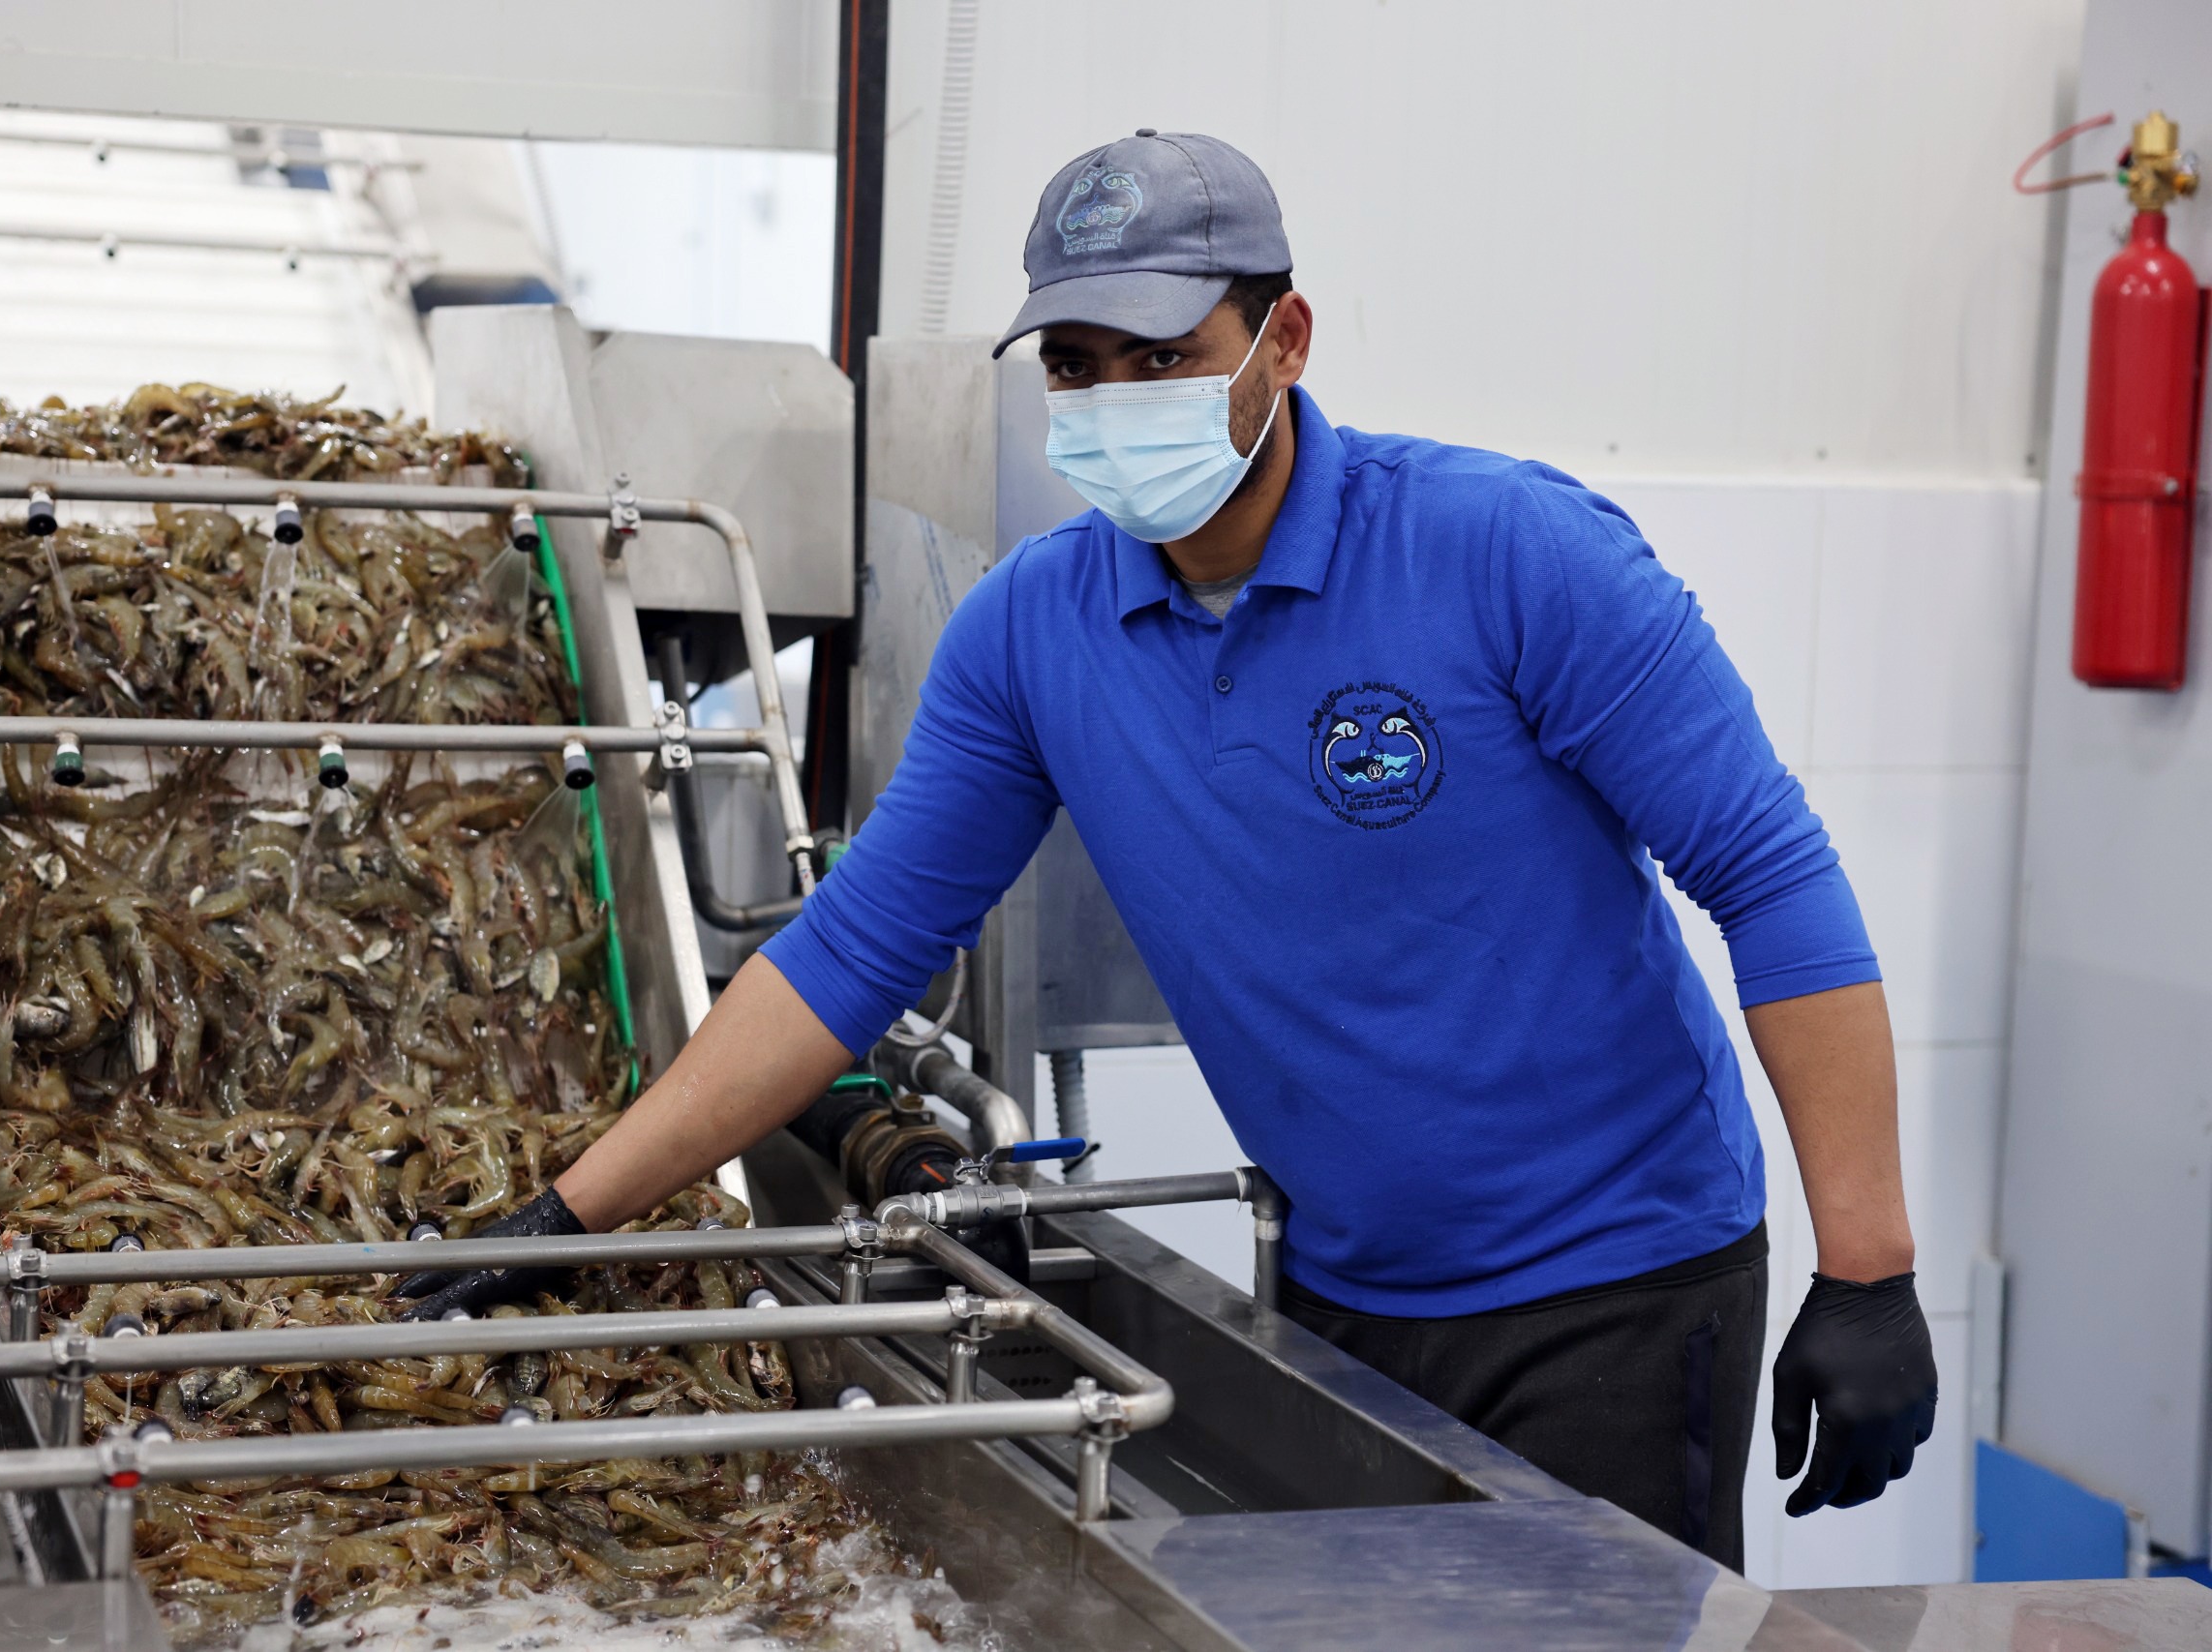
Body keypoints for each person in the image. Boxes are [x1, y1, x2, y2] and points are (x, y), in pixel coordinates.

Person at [398, 130, 1937, 1571]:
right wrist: (566, 1218)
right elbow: (850, 957)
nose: (1115, 397)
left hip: (1613, 1287)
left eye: (1164, 357)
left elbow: (1771, 879)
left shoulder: (1508, 554)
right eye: (1076, 365)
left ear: (1286, 340)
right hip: (1343, 1292)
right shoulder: (1034, 633)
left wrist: (1867, 1271)